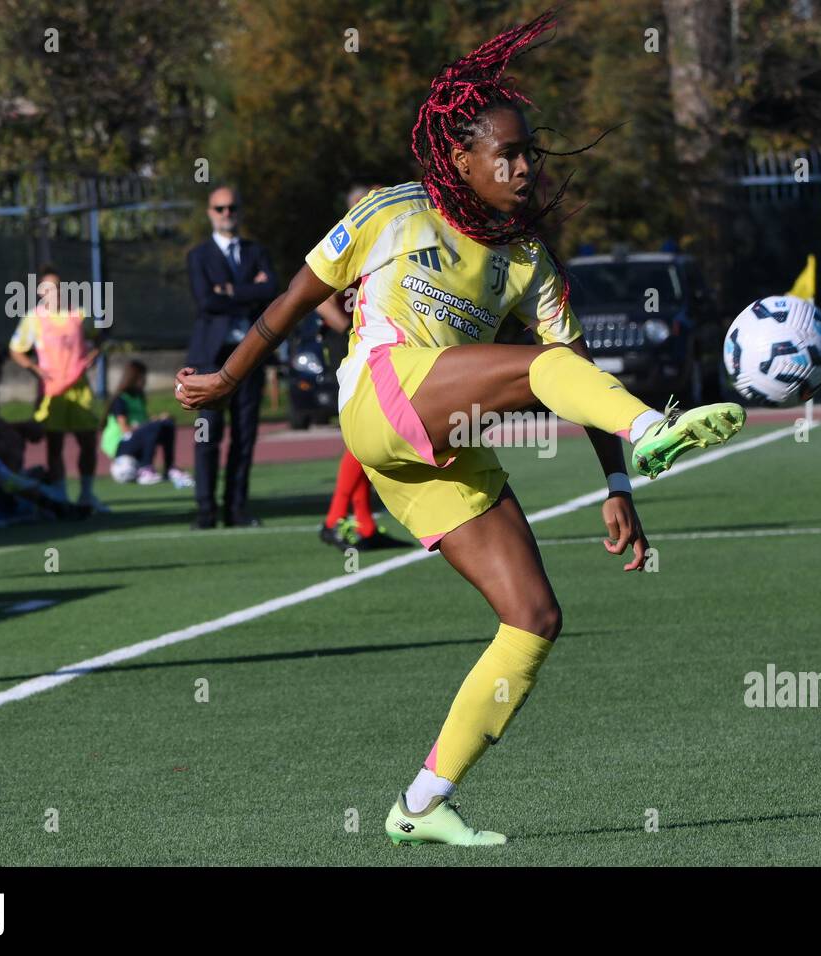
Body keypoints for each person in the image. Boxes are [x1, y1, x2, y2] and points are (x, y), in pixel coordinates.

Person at [176, 11, 746, 847]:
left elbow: (574, 367)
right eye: (506, 155)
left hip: (435, 447)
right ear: (462, 158)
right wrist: (228, 378)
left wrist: (617, 483)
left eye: (528, 155)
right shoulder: (391, 211)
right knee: (528, 363)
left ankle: (421, 803)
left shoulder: (526, 258)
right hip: (381, 397)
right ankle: (655, 428)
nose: (522, 169)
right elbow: (294, 298)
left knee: (534, 617)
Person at [316, 183, 409, 552]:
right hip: (351, 344)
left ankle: (363, 523)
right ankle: (335, 520)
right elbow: (319, 296)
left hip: (373, 343)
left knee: (364, 435)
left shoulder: (384, 243)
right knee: (361, 436)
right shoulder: (346, 239)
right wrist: (350, 326)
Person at [185, 185, 279, 529]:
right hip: (211, 357)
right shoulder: (198, 256)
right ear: (210, 212)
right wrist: (248, 291)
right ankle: (205, 511)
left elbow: (271, 292)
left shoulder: (256, 252)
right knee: (206, 435)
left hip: (248, 355)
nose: (227, 214)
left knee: (245, 434)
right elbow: (206, 301)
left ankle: (237, 508)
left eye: (232, 208)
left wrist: (229, 291)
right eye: (220, 208)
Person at [8, 265, 108, 511]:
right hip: (53, 391)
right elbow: (16, 349)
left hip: (79, 388)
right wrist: (36, 369)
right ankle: (61, 494)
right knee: (55, 444)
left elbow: (101, 335)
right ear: (41, 292)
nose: (56, 292)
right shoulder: (34, 319)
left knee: (87, 441)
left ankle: (86, 494)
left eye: (59, 287)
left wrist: (94, 353)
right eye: (49, 288)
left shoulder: (79, 315)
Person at [101, 359, 193, 488]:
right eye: (142, 377)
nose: (144, 380)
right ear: (134, 377)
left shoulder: (139, 397)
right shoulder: (120, 399)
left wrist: (159, 420)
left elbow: (143, 423)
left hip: (136, 438)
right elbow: (125, 429)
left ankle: (170, 468)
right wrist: (151, 424)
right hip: (121, 445)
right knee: (154, 427)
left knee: (166, 424)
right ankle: (145, 468)